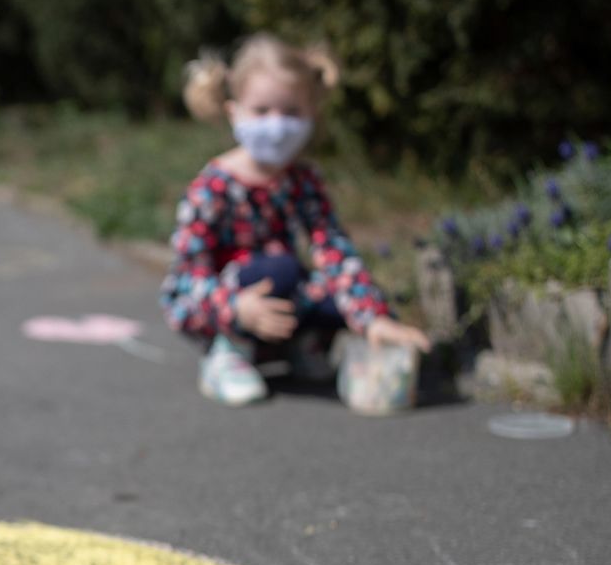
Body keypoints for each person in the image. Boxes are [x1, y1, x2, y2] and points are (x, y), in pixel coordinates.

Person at [162, 34, 432, 407]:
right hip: (228, 302)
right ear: (233, 112)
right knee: (281, 267)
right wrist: (233, 306)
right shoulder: (212, 187)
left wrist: (374, 317)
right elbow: (187, 274)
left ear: (311, 114)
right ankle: (229, 353)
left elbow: (334, 250)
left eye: (291, 111)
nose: (276, 125)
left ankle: (299, 344)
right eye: (261, 110)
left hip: (282, 299)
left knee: (342, 295)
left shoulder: (303, 181)